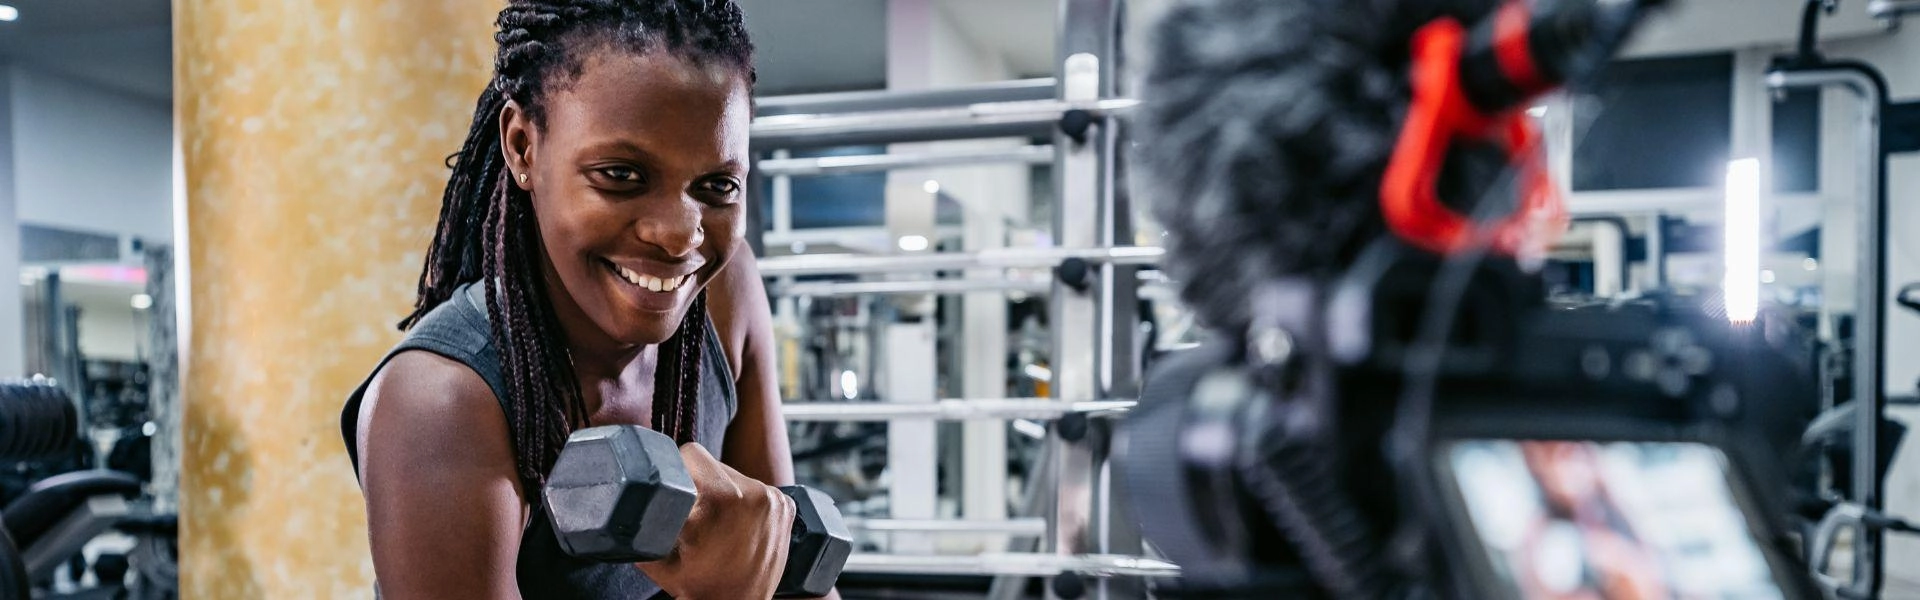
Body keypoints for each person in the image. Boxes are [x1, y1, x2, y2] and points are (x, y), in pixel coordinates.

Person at [338, 2, 832, 598]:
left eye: (717, 186)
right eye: (621, 175)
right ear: (523, 145)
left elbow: (796, 569)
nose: (679, 233)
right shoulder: (440, 403)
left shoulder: (725, 292)